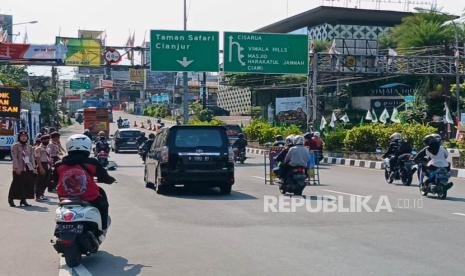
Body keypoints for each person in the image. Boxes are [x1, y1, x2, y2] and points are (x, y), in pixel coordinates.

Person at [54, 134, 116, 230]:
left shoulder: (59, 165)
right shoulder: (92, 162)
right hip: (89, 197)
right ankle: (103, 227)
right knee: (103, 204)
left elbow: (54, 180)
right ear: (88, 146)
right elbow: (104, 177)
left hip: (65, 198)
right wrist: (110, 180)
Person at [8, 130, 36, 207]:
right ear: (19, 137)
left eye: (25, 136)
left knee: (26, 184)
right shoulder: (15, 146)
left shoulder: (29, 147)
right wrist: (16, 168)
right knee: (16, 184)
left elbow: (31, 158)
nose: (23, 138)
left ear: (27, 138)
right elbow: (15, 157)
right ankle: (11, 199)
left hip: (27, 168)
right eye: (22, 136)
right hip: (19, 168)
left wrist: (33, 167)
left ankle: (23, 200)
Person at [34, 134, 52, 202]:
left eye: (48, 139)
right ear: (42, 140)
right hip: (42, 164)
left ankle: (42, 194)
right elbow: (37, 158)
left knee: (46, 181)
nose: (47, 140)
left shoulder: (48, 148)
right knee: (40, 181)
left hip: (48, 165)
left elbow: (49, 157)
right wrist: (41, 168)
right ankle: (38, 196)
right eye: (45, 139)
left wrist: (51, 165)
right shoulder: (38, 148)